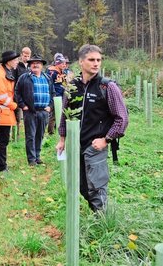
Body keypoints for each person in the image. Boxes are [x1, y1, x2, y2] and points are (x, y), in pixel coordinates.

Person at [56, 44, 128, 212]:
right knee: (82, 186)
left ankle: (103, 223)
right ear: (81, 62)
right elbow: (65, 115)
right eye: (91, 60)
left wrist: (106, 139)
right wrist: (62, 139)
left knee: (96, 187)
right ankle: (99, 215)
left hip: (95, 146)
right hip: (76, 145)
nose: (96, 63)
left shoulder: (107, 87)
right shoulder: (72, 87)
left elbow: (122, 119)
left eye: (99, 60)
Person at [14, 54, 54, 166]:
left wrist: (50, 106)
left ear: (42, 66)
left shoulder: (47, 78)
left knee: (40, 135)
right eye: (33, 63)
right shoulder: (24, 78)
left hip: (43, 111)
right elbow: (17, 92)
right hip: (30, 111)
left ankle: (37, 156)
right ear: (30, 65)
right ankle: (31, 159)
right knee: (30, 135)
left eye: (38, 63)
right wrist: (22, 105)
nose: (35, 65)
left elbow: (53, 93)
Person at [0, 51, 20, 172]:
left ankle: (1, 163)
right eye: (15, 60)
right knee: (3, 140)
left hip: (6, 112)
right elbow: (1, 96)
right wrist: (14, 105)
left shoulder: (6, 72)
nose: (17, 62)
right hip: (3, 112)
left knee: (4, 139)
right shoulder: (0, 74)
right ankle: (0, 165)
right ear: (9, 61)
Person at [47, 53, 68, 134]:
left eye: (65, 63)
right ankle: (51, 132)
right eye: (62, 63)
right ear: (57, 63)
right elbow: (49, 83)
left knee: (60, 114)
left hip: (62, 95)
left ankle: (58, 129)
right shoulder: (52, 72)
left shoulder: (63, 72)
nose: (64, 65)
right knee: (53, 115)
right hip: (55, 95)